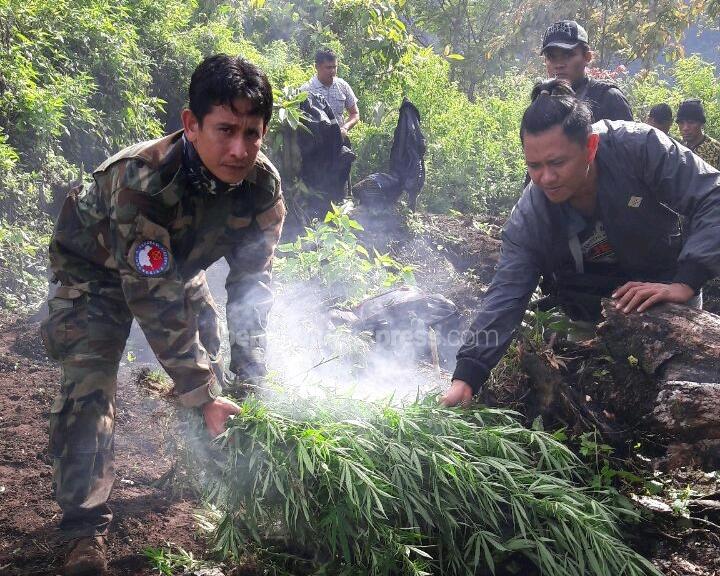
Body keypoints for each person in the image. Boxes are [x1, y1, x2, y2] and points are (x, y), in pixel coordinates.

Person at [41, 54, 285, 574]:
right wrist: (199, 387)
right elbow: (151, 295)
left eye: (251, 132)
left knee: (213, 352)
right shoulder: (145, 182)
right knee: (89, 389)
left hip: (173, 264)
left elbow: (252, 287)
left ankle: (203, 463)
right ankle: (83, 531)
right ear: (190, 124)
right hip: (94, 273)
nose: (239, 149)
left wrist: (254, 375)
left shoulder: (263, 187)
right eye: (224, 130)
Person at [442, 79, 720, 407]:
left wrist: (685, 281)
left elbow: (712, 194)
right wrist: (467, 374)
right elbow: (506, 293)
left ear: (590, 146)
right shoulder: (531, 214)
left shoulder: (638, 147)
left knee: (686, 406)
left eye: (557, 163)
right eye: (534, 166)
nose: (546, 178)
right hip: (590, 319)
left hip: (666, 302)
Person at [541, 20, 633, 122]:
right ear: (545, 61)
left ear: (587, 57)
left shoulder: (608, 98)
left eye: (567, 55)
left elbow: (628, 137)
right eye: (551, 57)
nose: (559, 64)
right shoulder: (543, 100)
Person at [301, 48, 360, 139]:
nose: (332, 71)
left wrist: (345, 127)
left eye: (334, 67)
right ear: (317, 67)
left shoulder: (342, 86)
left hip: (338, 141)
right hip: (314, 146)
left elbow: (355, 113)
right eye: (328, 67)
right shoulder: (306, 90)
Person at [676, 98, 720, 169]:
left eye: (691, 122)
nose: (685, 128)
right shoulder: (677, 148)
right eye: (681, 123)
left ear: (701, 123)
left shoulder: (716, 150)